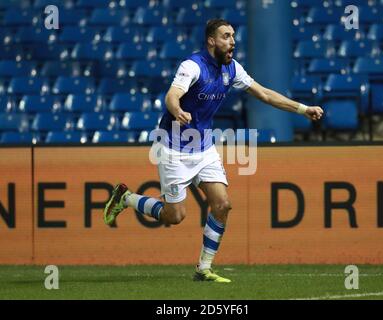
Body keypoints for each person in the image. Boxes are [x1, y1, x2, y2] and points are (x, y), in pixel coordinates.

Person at [103, 19, 324, 283]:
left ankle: (203, 268)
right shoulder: (192, 66)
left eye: (233, 36)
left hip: (204, 147)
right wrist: (177, 110)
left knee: (223, 205)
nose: (232, 41)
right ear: (211, 41)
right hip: (173, 148)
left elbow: (264, 94)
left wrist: (303, 109)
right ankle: (125, 198)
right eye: (226, 36)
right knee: (175, 216)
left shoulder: (232, 69)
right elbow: (172, 95)